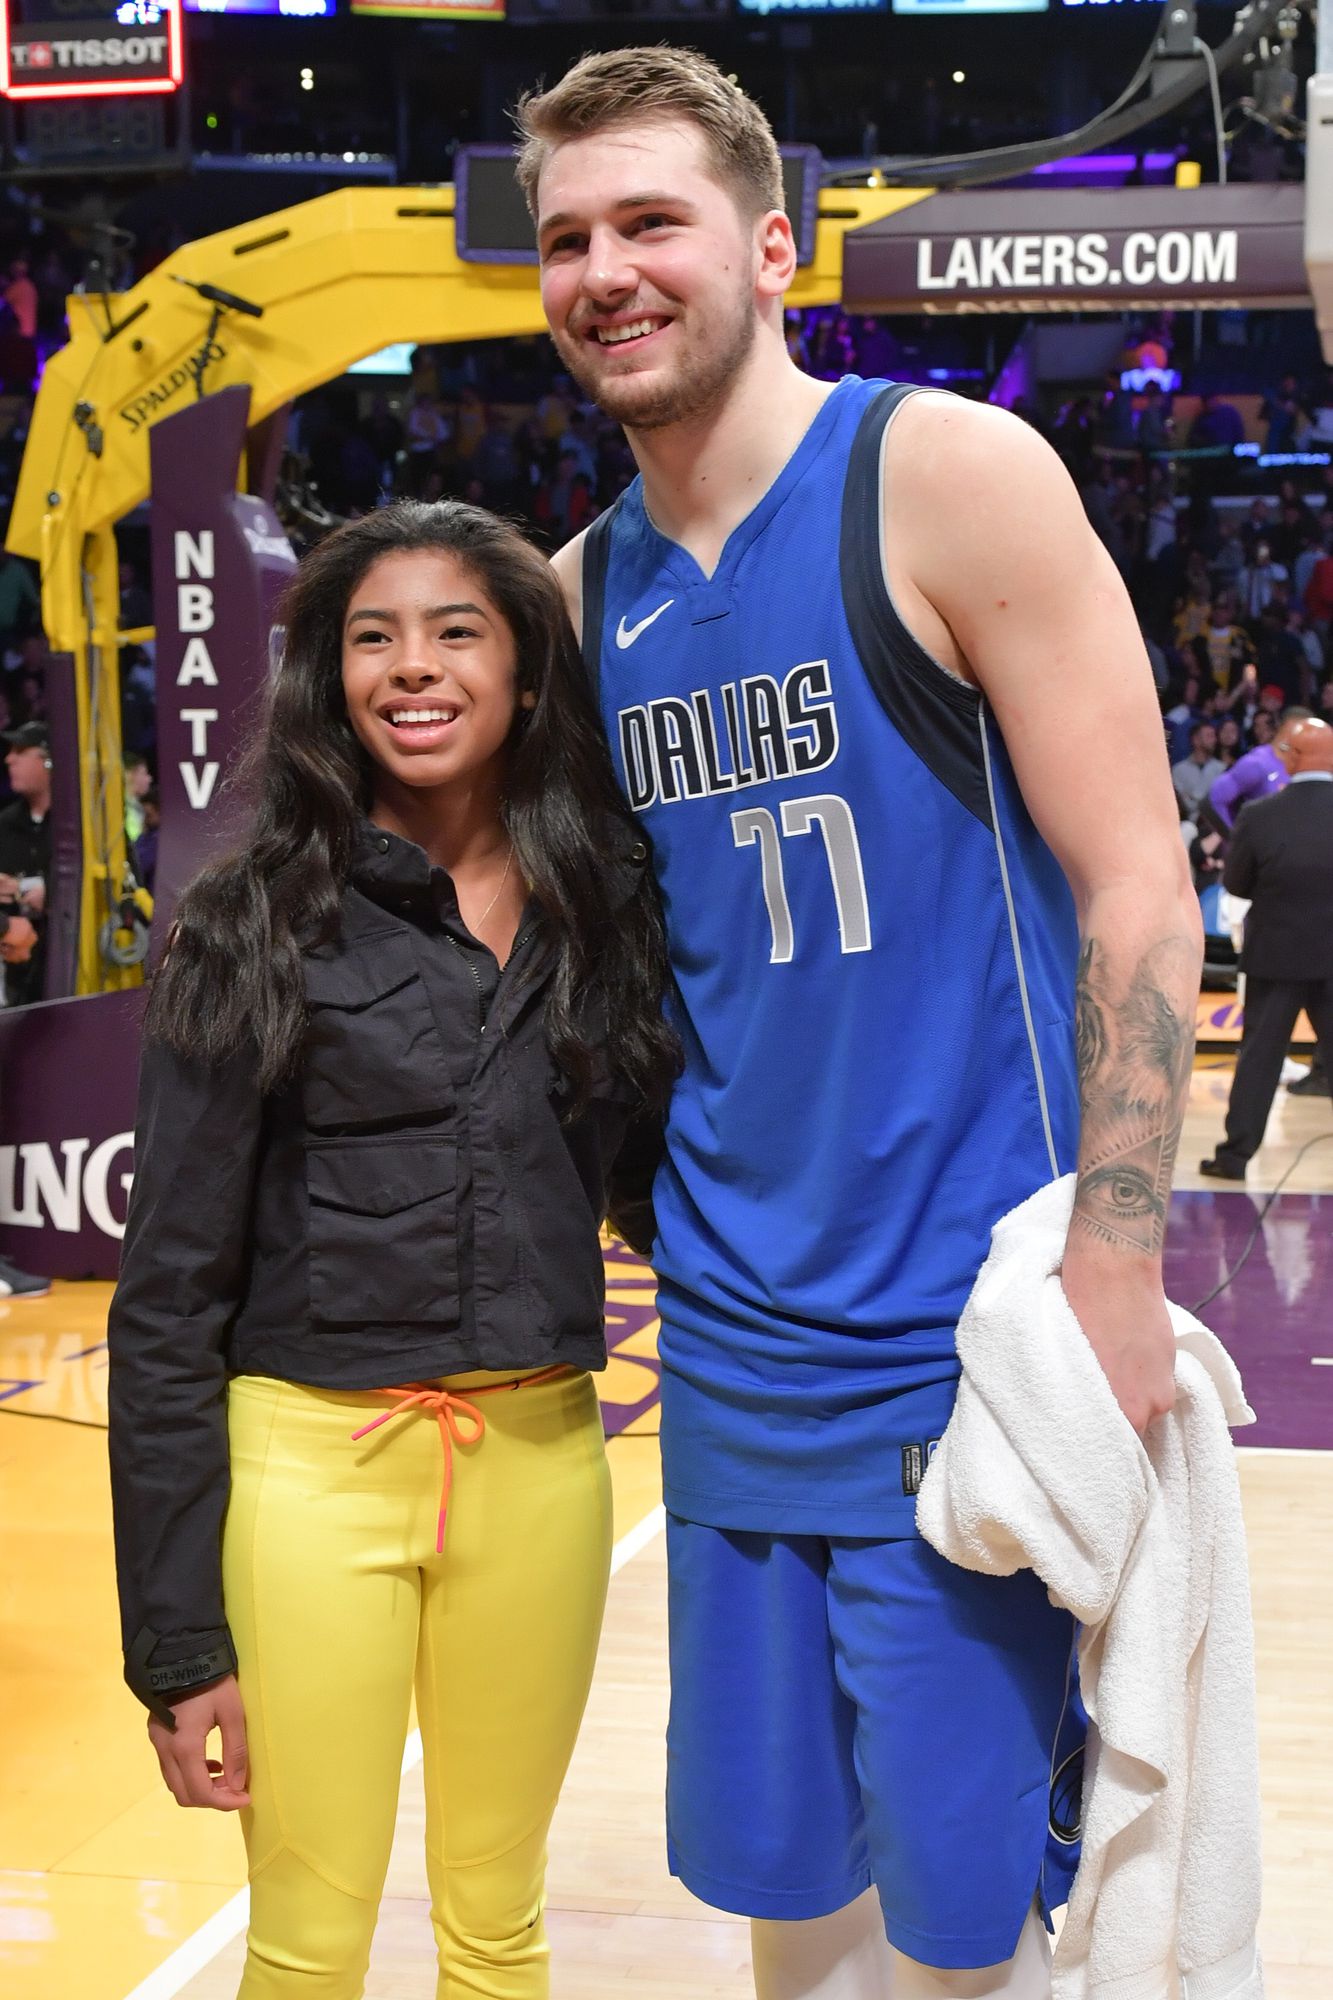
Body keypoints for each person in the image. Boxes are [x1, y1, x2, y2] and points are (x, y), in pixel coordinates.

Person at [519, 46, 1199, 2000]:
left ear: (772, 245)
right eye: (569, 237)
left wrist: (1126, 1251)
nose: (606, 270)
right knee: (786, 1902)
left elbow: (1143, 885)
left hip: (954, 1343)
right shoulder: (577, 600)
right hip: (729, 1352)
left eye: (651, 221)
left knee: (970, 1927)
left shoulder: (945, 478)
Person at [107, 500, 678, 2000]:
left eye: (455, 632)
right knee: (307, 1945)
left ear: (529, 677)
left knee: (502, 1930)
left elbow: (651, 1185)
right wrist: (174, 1645)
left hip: (546, 1472)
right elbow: (167, 1302)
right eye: (373, 637)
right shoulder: (245, 927)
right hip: (307, 1481)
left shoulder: (603, 911)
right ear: (326, 678)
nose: (411, 669)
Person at [1200, 716, 1333, 1178]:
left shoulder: (1260, 815)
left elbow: (1236, 885)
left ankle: (1234, 1158)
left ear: (1293, 758)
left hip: (1276, 956)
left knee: (1259, 1059)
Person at [0, 720, 50, 1007]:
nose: (9, 759)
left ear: (48, 761)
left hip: (69, 968)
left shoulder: (83, 827)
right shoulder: (5, 823)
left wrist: (51, 894)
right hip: (14, 973)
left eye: (20, 750)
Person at [1207, 704, 1311, 829]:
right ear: (1289, 729)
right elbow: (1215, 799)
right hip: (1265, 843)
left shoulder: (1305, 766)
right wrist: (1233, 840)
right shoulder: (1258, 762)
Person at [1170, 720, 1225, 818]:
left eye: (1214, 736)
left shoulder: (1221, 768)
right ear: (1196, 740)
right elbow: (1185, 804)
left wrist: (1193, 797)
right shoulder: (1179, 770)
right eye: (1209, 736)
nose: (1214, 740)